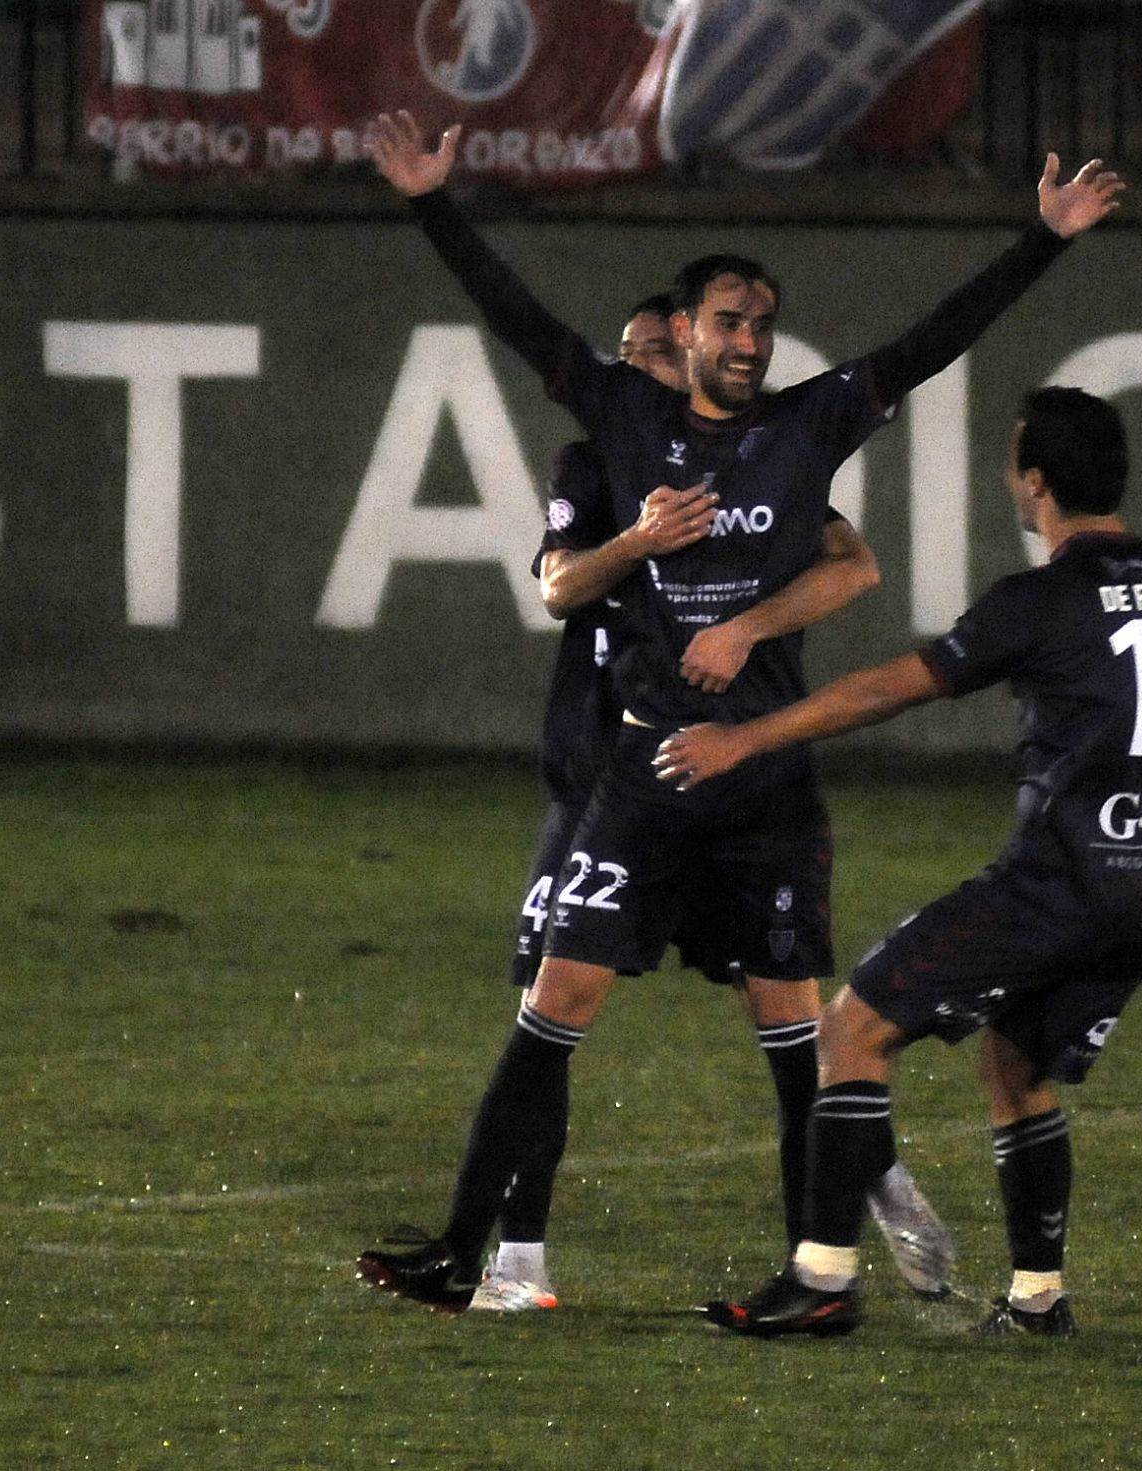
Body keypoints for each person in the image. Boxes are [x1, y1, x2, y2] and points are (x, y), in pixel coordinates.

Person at [354, 109, 1124, 1312]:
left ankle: (815, 1276)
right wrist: (430, 205)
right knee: (552, 1007)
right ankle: (489, 1257)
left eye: (762, 324)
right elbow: (517, 323)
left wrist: (1043, 239)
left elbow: (931, 343)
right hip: (646, 772)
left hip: (762, 782)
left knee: (796, 1045)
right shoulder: (625, 418)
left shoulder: (806, 426)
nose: (749, 340)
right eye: (729, 322)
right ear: (689, 330)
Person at [653, 387, 1142, 1338]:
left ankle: (823, 1279)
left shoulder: (1039, 599)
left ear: (1036, 483)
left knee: (851, 1032)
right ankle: (1038, 1298)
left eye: (1014, 466)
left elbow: (887, 688)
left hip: (1059, 882)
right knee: (1015, 1060)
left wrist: (745, 740)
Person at [479, 296, 954, 1312]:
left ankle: (856, 1198)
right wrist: (639, 543)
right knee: (545, 1012)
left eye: (662, 352)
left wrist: (744, 625)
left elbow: (857, 563)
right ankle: (518, 1258)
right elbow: (559, 588)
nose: (647, 370)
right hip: (609, 780)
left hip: (734, 781)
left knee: (789, 1024)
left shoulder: (752, 468)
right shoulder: (593, 467)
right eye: (634, 355)